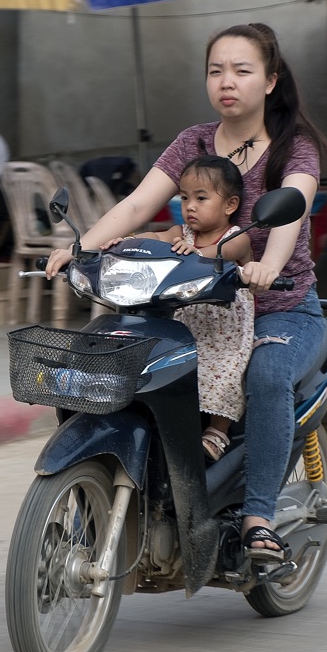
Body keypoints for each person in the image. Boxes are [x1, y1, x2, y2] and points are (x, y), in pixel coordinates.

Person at [47, 22, 327, 563]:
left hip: (280, 307)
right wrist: (82, 247)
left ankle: (257, 518)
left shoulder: (294, 148)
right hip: (190, 305)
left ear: (270, 81)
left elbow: (292, 208)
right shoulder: (194, 143)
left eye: (242, 70)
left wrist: (266, 266)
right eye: (216, 70)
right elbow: (136, 206)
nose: (227, 81)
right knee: (107, 359)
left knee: (267, 377)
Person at [100, 155, 253, 463]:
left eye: (201, 198)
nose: (190, 206)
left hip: (227, 331)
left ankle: (217, 431)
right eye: (184, 198)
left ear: (230, 205)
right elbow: (155, 238)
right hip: (188, 323)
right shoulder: (180, 233)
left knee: (225, 373)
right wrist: (125, 242)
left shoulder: (236, 237)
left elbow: (219, 254)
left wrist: (197, 253)